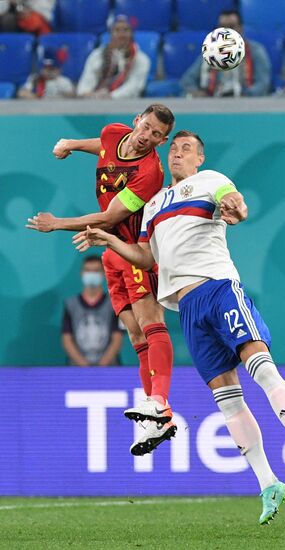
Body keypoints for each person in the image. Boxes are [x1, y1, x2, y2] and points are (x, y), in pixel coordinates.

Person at [73, 130, 285, 525]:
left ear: (199, 158)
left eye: (186, 148)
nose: (177, 152)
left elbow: (234, 205)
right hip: (187, 307)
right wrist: (108, 239)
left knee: (262, 366)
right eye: (173, 148)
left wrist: (236, 208)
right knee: (227, 399)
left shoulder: (211, 181)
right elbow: (143, 255)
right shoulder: (153, 204)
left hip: (219, 288)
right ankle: (268, 482)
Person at [26, 104, 176, 456]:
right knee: (135, 333)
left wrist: (58, 223)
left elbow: (111, 217)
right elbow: (104, 145)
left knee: (151, 322)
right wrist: (70, 144)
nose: (147, 138)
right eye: (147, 128)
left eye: (157, 136)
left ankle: (162, 406)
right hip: (110, 253)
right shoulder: (113, 133)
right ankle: (152, 420)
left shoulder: (150, 171)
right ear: (137, 120)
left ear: (163, 140)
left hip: (135, 248)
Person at [180, 10, 271, 98]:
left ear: (241, 29)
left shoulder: (255, 50)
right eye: (222, 27)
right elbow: (187, 80)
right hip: (212, 104)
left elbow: (263, 83)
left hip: (246, 105)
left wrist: (245, 96)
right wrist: (197, 93)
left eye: (231, 27)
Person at [62, 255, 123, 366]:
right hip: (77, 371)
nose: (91, 274)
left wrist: (100, 368)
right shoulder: (70, 304)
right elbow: (67, 340)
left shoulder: (115, 303)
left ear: (103, 274)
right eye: (88, 270)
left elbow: (117, 339)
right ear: (81, 273)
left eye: (96, 271)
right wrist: (85, 366)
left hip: (110, 370)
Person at [77, 15, 150, 100]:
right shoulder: (97, 55)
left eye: (126, 30)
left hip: (126, 104)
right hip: (95, 102)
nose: (121, 34)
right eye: (117, 30)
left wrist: (110, 96)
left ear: (132, 34)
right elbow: (88, 79)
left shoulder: (141, 59)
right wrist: (85, 93)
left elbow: (134, 87)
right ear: (111, 34)